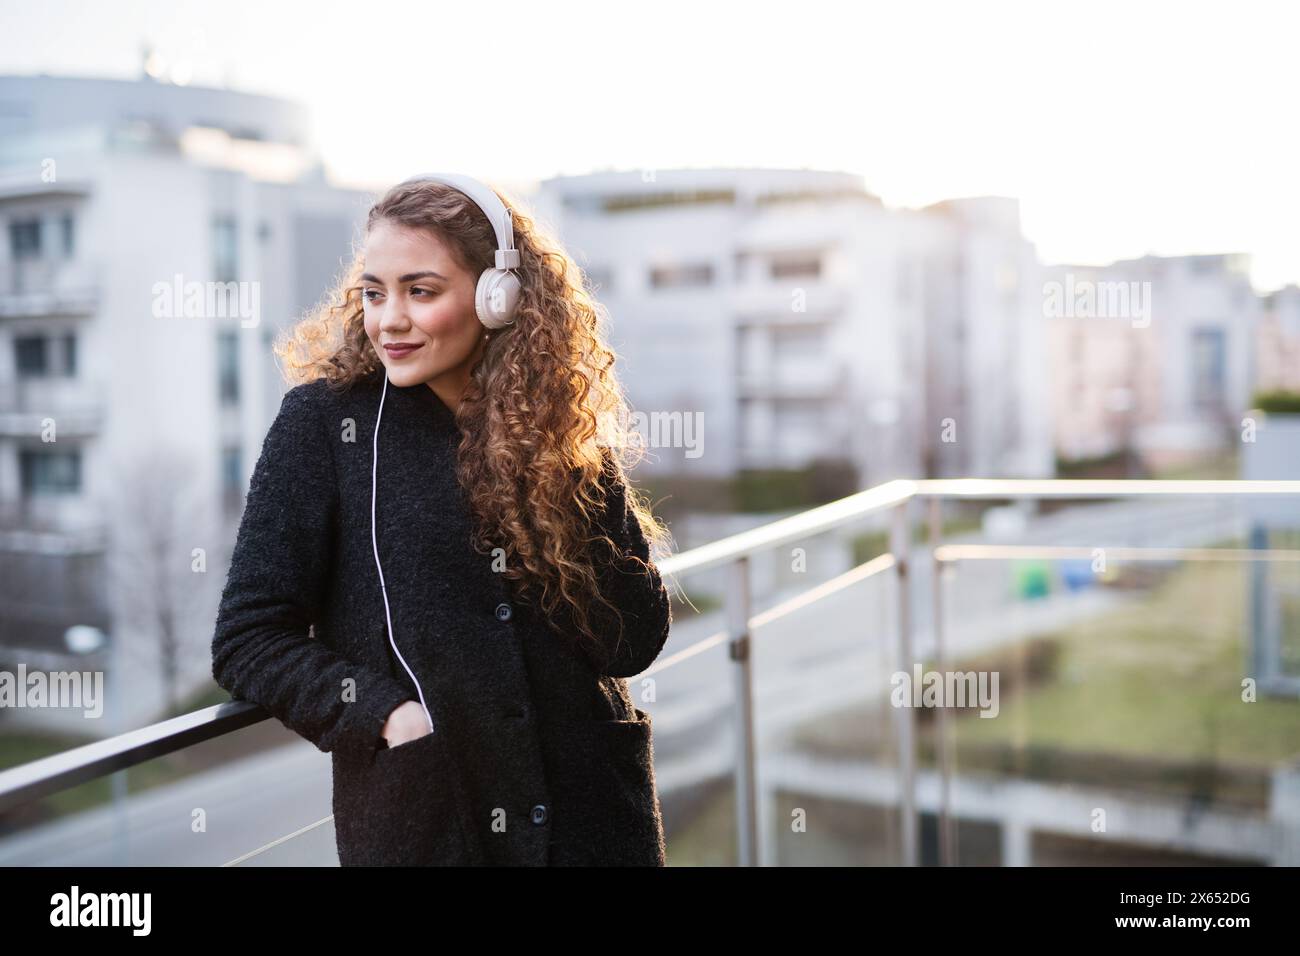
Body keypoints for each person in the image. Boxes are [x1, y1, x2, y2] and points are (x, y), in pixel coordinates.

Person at [210, 173, 676, 866]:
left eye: (420, 291)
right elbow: (248, 638)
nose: (388, 319)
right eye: (375, 292)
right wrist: (380, 714)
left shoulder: (556, 427)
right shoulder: (324, 428)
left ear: (499, 296)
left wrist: (566, 459)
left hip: (593, 823)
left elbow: (633, 639)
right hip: (432, 823)